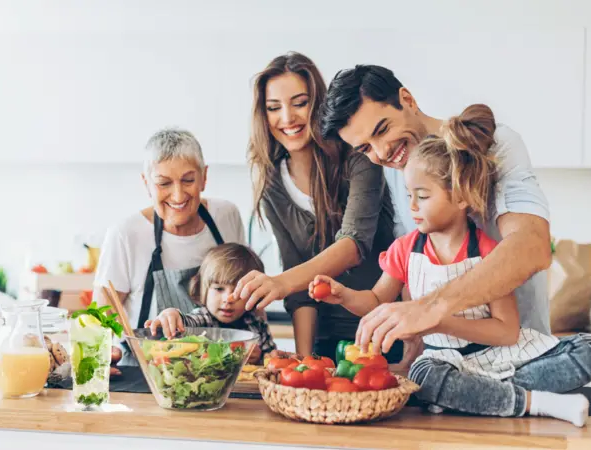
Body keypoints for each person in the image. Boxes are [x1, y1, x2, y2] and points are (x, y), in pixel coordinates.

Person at [310, 107, 591, 426]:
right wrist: (343, 295)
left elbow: (507, 332)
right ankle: (533, 402)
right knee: (425, 375)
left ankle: (475, 396)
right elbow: (375, 301)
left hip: (500, 357)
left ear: (462, 197)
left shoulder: (489, 255)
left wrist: (437, 320)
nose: (411, 206)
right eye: (409, 194)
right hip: (446, 363)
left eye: (422, 196)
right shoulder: (405, 250)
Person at [320, 64, 562, 353]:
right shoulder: (399, 170)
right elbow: (413, 271)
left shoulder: (497, 146)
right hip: (446, 358)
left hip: (521, 352)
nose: (382, 152)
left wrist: (431, 309)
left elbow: (532, 245)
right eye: (365, 149)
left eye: (383, 129)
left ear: (407, 100)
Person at [234, 52, 402, 361]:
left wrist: (279, 283)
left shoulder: (359, 158)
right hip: (325, 340)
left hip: (385, 332)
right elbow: (298, 291)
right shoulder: (272, 184)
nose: (287, 118)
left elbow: (353, 245)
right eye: (274, 108)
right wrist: (305, 360)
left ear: (319, 105)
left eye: (299, 103)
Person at [93, 127, 247, 365]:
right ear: (146, 183)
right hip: (146, 373)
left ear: (204, 177)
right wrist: (104, 355)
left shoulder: (226, 216)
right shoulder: (126, 234)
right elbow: (104, 313)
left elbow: (247, 289)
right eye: (164, 183)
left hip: (217, 370)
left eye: (188, 180)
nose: (177, 196)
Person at [145, 243, 278, 364]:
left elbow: (273, 360)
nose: (228, 299)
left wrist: (261, 357)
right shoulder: (203, 318)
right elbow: (186, 322)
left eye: (239, 292)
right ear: (203, 290)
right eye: (219, 289)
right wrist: (172, 315)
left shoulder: (257, 324)